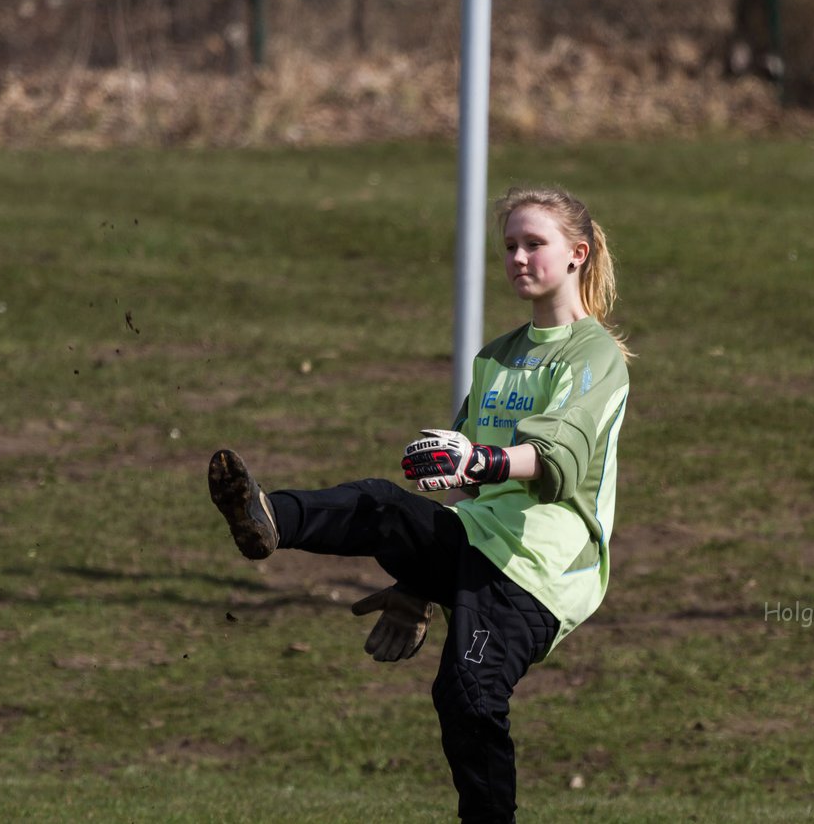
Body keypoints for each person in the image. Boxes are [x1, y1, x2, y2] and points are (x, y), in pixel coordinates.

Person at [208, 186, 631, 823]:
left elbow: (558, 458)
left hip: (539, 571)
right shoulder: (496, 356)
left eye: (533, 244)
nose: (517, 257)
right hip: (477, 541)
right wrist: (416, 582)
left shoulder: (593, 354)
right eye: (510, 245)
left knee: (468, 697)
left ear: (577, 254)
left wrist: (482, 460)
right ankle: (270, 519)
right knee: (384, 505)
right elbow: (457, 485)